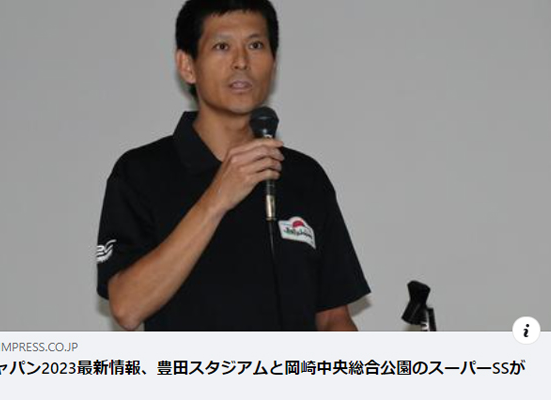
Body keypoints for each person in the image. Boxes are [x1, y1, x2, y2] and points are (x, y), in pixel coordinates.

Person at [96, 0, 370, 331]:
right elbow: (127, 307)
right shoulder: (141, 172)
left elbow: (332, 317)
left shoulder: (305, 176)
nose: (241, 62)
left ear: (273, 63)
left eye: (255, 45)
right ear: (187, 65)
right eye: (222, 46)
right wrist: (217, 199)